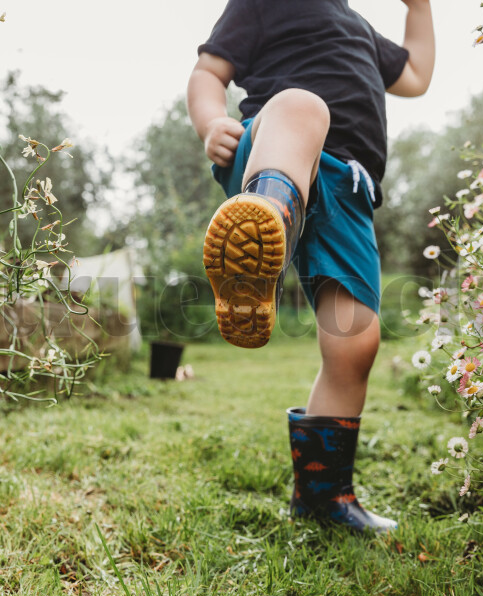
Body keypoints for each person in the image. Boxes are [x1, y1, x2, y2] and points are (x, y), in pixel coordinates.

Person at [187, 0, 435, 533]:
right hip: (275, 153)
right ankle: (268, 220)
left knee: (355, 342)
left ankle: (324, 497)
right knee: (304, 105)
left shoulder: (360, 28)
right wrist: (212, 121)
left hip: (349, 189)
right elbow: (209, 71)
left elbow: (415, 76)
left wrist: (419, 7)